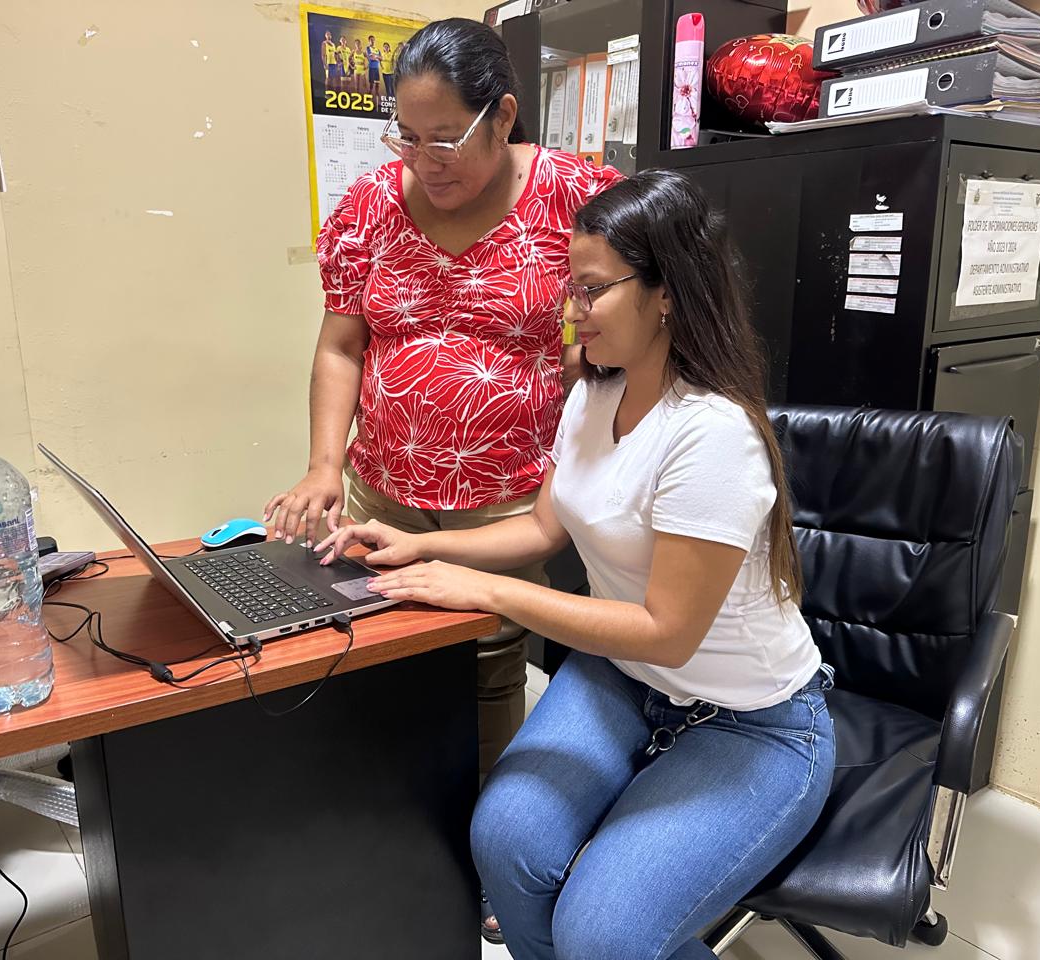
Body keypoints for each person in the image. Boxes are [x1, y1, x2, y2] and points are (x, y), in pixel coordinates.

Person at [314, 169, 836, 956]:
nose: (571, 311)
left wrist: (484, 591)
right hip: (625, 680)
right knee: (507, 845)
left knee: (602, 932)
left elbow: (666, 633)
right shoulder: (594, 396)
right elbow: (541, 528)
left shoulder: (712, 435)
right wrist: (423, 544)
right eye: (571, 288)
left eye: (591, 291)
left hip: (753, 723)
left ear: (667, 293)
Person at [263, 18, 621, 777]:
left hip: (509, 493)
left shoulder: (577, 197)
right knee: (377, 651)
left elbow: (622, 328)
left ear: (504, 116)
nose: (424, 162)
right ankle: (394, 817)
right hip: (383, 486)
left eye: (446, 140)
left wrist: (583, 396)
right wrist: (324, 467)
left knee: (484, 662)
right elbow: (341, 345)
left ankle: (482, 828)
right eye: (408, 138)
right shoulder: (369, 207)